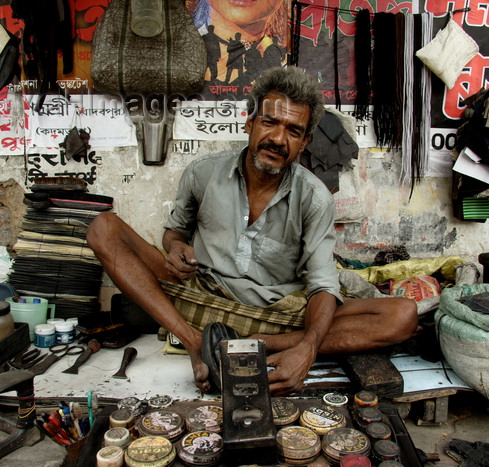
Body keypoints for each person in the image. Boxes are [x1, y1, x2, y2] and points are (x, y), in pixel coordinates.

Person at [86, 67, 417, 396]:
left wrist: (308, 349)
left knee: (402, 315)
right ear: (250, 123)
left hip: (277, 314)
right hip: (199, 292)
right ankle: (193, 342)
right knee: (104, 228)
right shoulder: (202, 173)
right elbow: (174, 233)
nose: (277, 139)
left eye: (293, 131)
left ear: (304, 142)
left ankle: (255, 344)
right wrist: (174, 248)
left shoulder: (314, 198)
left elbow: (321, 286)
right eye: (269, 123)